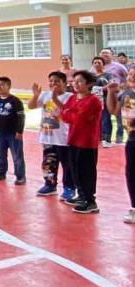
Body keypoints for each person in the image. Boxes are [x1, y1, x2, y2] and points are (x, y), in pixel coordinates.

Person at [53, 70, 101, 214]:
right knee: (75, 169)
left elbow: (77, 118)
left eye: (79, 81)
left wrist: (66, 114)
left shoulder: (93, 100)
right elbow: (67, 115)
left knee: (86, 171)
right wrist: (64, 111)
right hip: (73, 139)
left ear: (89, 84)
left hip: (86, 142)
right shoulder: (73, 98)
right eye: (74, 81)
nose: (76, 84)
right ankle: (81, 195)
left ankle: (90, 201)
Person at [29, 72, 75, 199]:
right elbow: (31, 106)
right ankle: (50, 185)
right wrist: (36, 95)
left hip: (63, 139)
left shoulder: (70, 97)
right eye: (51, 81)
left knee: (67, 165)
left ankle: (69, 187)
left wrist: (55, 98)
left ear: (65, 83)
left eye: (57, 81)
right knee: (48, 163)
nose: (53, 83)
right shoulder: (44, 95)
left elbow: (68, 111)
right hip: (47, 137)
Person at [106, 68, 135, 224]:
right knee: (131, 173)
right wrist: (111, 92)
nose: (131, 76)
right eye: (130, 74)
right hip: (131, 138)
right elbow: (113, 111)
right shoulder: (125, 94)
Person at [0, 77, 26, 184]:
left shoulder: (15, 101)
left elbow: (21, 117)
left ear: (8, 86)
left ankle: (20, 176)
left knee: (17, 156)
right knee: (0, 154)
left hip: (13, 134)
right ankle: (1, 172)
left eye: (2, 85)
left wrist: (19, 131)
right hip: (0, 133)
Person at [100, 48, 128, 144]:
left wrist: (123, 89)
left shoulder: (119, 66)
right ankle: (105, 138)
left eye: (106, 53)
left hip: (117, 94)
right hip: (103, 96)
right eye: (102, 53)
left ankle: (119, 138)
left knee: (119, 117)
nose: (104, 54)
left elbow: (127, 77)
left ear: (112, 55)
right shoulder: (97, 66)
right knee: (105, 119)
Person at [91, 57, 113, 147]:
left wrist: (99, 89)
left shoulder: (108, 74)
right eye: (95, 62)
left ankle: (106, 139)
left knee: (105, 119)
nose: (97, 64)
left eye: (99, 62)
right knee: (94, 119)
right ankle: (97, 138)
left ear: (103, 64)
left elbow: (110, 84)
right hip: (92, 100)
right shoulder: (90, 76)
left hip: (104, 99)